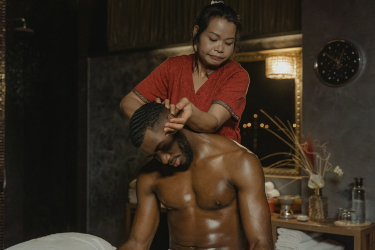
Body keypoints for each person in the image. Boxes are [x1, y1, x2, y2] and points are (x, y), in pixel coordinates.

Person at [117, 103, 273, 250]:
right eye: (154, 155)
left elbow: (261, 243)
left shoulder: (239, 161)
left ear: (176, 123)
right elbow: (137, 243)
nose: (164, 159)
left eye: (163, 147)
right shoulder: (150, 175)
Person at [119, 2, 249, 143]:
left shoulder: (236, 75)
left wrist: (188, 113)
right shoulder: (173, 66)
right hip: (177, 157)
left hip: (220, 159)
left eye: (228, 43)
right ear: (196, 32)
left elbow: (212, 122)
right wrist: (158, 120)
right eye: (213, 39)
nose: (220, 48)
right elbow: (128, 102)